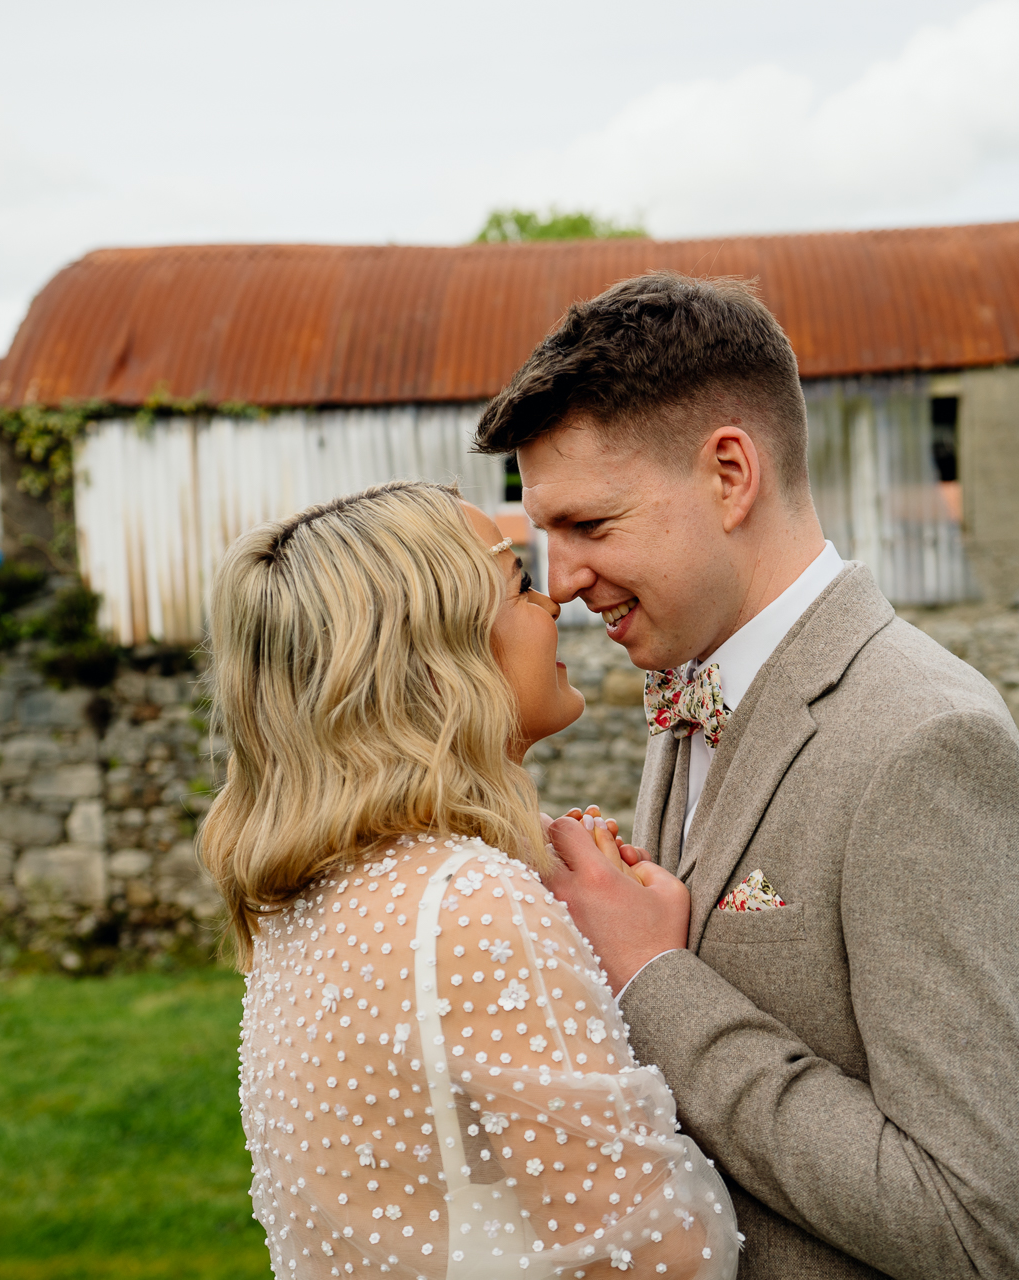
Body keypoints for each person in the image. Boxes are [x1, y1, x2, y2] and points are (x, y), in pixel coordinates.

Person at [474, 274, 1019, 1280]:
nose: (563, 579)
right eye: (548, 534)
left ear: (730, 474)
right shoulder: (682, 680)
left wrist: (655, 980)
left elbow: (980, 1231)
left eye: (591, 526)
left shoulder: (927, 739)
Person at [200, 480, 739, 1279]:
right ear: (434, 651)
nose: (555, 596)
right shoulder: (468, 903)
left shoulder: (301, 908)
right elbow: (666, 1258)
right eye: (519, 581)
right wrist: (643, 966)